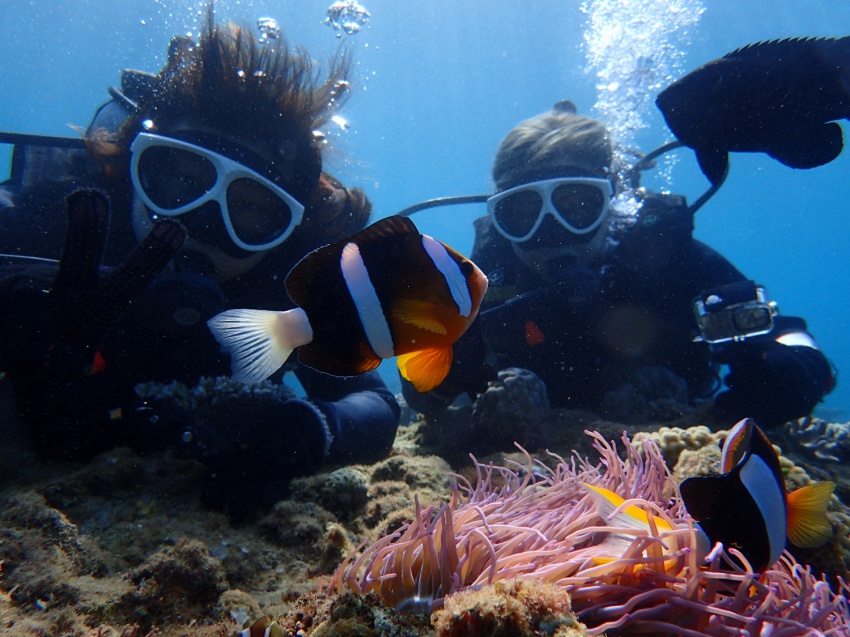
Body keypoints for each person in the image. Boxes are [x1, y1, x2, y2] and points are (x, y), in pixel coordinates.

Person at [0, 10, 400, 518]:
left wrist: (304, 429)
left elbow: (375, 406)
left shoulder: (290, 286)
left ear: (287, 229)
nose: (202, 223)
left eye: (251, 208)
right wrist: (25, 315)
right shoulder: (54, 216)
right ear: (130, 168)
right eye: (179, 179)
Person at [404, 101, 834, 449]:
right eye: (523, 212)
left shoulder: (660, 258)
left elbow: (785, 332)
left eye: (576, 204)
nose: (552, 232)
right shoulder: (480, 286)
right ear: (499, 217)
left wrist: (794, 365)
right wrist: (440, 368)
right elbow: (419, 392)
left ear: (611, 201)